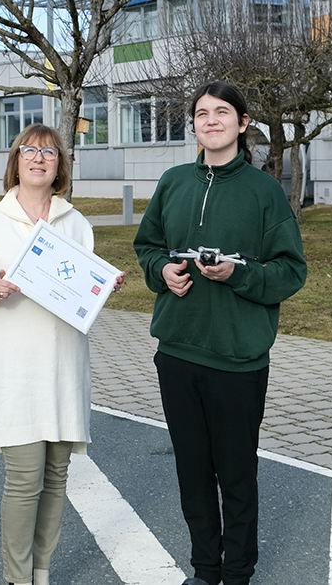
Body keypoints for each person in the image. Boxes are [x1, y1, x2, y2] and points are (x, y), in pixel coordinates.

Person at [133, 81, 307, 585]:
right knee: (192, 474)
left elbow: (291, 272)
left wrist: (240, 275)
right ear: (193, 124)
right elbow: (147, 248)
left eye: (222, 112)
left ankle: (237, 574)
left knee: (235, 476)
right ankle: (204, 571)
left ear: (243, 122)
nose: (210, 120)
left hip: (237, 358)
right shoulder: (172, 182)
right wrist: (162, 271)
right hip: (178, 352)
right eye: (202, 113)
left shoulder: (264, 190)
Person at [0, 122, 124, 585]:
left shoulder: (75, 222)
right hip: (13, 368)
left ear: (60, 164)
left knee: (56, 479)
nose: (39, 158)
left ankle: (40, 572)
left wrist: (103, 284)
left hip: (65, 365)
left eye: (49, 152)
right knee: (25, 480)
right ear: (16, 161)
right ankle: (16, 577)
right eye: (30, 150)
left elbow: (81, 294)